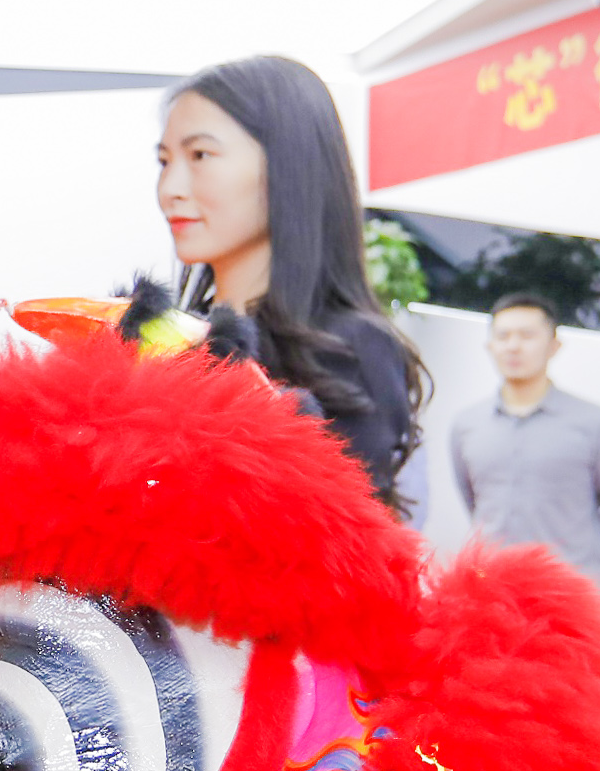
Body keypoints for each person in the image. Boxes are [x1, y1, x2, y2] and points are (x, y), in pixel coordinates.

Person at [155, 55, 428, 508]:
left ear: (288, 165)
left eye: (200, 155)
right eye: (164, 161)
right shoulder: (169, 338)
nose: (169, 188)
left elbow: (345, 535)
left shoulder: (350, 350)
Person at [444, 292, 600, 583]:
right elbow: (472, 499)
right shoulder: (467, 425)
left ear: (554, 346)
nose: (513, 346)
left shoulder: (596, 424)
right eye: (503, 336)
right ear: (490, 346)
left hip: (567, 587)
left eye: (527, 335)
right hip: (489, 586)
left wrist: (584, 558)